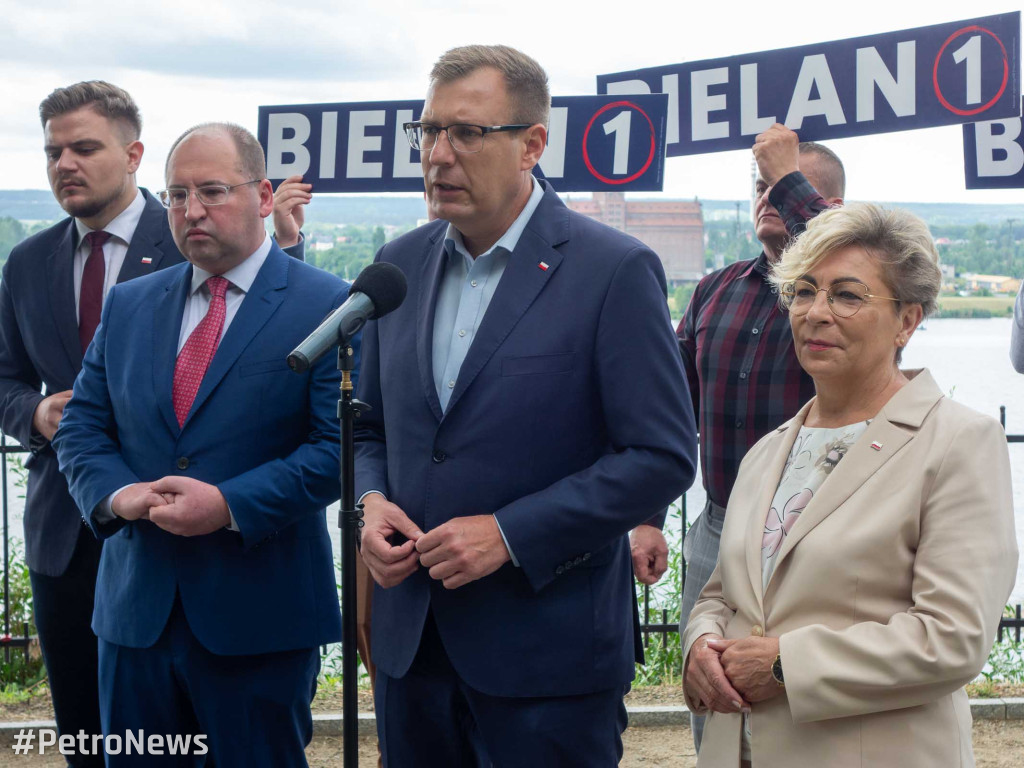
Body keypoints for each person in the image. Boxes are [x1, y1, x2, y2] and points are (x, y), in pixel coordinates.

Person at [353, 44, 696, 766]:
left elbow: (661, 458)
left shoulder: (613, 270)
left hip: (550, 660)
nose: (438, 155)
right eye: (429, 131)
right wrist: (371, 499)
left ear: (531, 146)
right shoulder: (398, 265)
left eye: (467, 133)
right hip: (412, 652)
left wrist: (509, 534)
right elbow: (369, 429)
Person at [0, 82, 307, 767]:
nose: (64, 164)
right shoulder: (33, 265)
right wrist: (43, 421)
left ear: (132, 154)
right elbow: (23, 389)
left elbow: (311, 412)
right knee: (99, 742)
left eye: (83, 147)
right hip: (83, 542)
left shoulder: (229, 262)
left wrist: (229, 503)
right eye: (53, 151)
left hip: (238, 579)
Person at [53, 122, 351, 767]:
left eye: (212, 191)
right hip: (135, 618)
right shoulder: (130, 305)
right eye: (176, 195)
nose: (192, 211)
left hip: (260, 621)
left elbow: (338, 449)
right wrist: (118, 494)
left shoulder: (328, 305)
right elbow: (81, 427)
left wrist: (230, 503)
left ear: (264, 195)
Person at [682, 203, 1018, 767]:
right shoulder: (767, 452)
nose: (816, 312)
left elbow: (952, 638)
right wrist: (697, 646)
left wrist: (787, 664)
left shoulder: (958, 442)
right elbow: (721, 594)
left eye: (847, 295)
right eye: (804, 291)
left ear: (907, 321)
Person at [675, 126, 844, 745]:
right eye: (760, 185)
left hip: (814, 531)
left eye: (785, 187)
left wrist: (783, 172)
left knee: (793, 712)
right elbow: (669, 412)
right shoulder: (716, 289)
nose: (768, 196)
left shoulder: (849, 300)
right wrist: (644, 517)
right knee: (715, 709)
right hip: (718, 528)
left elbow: (853, 250)